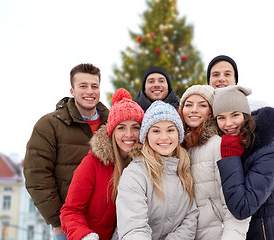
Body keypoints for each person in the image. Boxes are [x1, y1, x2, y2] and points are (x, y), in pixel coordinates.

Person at [24, 63, 109, 240]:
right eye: (83, 86)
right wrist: (56, 220)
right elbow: (36, 174)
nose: (89, 91)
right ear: (72, 90)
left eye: (94, 86)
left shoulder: (112, 125)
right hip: (69, 223)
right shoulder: (49, 125)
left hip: (108, 220)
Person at [212, 85, 274, 240]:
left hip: (269, 232)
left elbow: (242, 207)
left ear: (246, 115)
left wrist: (229, 158)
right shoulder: (241, 143)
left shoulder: (270, 152)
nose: (228, 123)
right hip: (251, 231)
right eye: (221, 118)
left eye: (235, 115)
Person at [60, 88, 144, 240]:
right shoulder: (93, 163)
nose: (129, 135)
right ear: (112, 131)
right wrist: (84, 235)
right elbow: (71, 211)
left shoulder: (145, 165)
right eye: (121, 127)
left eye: (135, 127)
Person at [116, 100, 198, 239]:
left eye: (170, 130)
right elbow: (133, 228)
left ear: (179, 134)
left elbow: (190, 219)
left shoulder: (184, 168)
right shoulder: (135, 173)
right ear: (146, 136)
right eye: (156, 131)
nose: (164, 137)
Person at [178, 85, 250, 240]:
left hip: (217, 233)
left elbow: (234, 204)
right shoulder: (178, 148)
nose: (194, 110)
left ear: (211, 111)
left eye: (202, 105)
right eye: (188, 104)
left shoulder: (218, 145)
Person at [206, 55, 274, 161]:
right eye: (215, 75)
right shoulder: (202, 112)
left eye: (227, 74)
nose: (221, 79)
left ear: (235, 80)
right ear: (209, 81)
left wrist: (262, 170)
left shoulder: (258, 108)